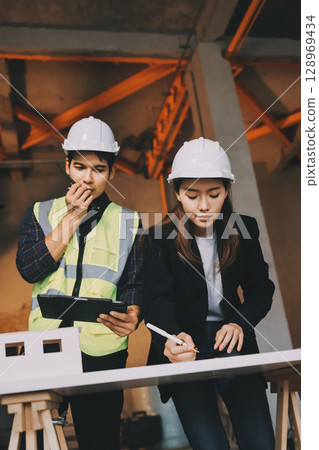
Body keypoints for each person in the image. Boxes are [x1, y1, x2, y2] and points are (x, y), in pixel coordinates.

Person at [16, 116, 143, 450]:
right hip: (46, 345)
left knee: (100, 442)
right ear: (67, 166)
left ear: (111, 172)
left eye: (99, 169)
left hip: (103, 348)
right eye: (80, 167)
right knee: (40, 441)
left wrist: (133, 313)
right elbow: (30, 269)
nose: (89, 178)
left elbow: (135, 281)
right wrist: (71, 218)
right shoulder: (39, 213)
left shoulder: (128, 221)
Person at [142, 137, 275, 450]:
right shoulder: (159, 238)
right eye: (191, 195)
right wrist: (172, 339)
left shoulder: (244, 229)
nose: (203, 206)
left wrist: (240, 323)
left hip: (233, 340)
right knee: (209, 444)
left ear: (227, 190)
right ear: (176, 192)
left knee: (260, 442)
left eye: (214, 194)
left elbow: (261, 289)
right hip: (185, 346)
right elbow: (157, 300)